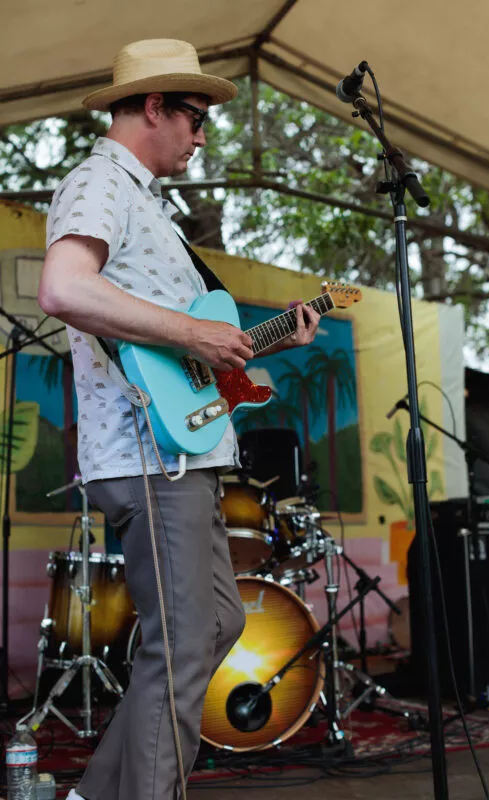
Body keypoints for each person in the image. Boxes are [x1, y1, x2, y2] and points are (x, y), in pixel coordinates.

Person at [38, 38, 320, 800]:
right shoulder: (100, 181)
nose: (202, 137)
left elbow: (174, 344)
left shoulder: (144, 205)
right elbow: (64, 289)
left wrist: (245, 343)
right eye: (195, 118)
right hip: (146, 456)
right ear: (154, 106)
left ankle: (94, 795)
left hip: (181, 453)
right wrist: (195, 333)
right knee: (184, 643)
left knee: (216, 627)